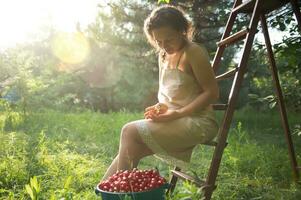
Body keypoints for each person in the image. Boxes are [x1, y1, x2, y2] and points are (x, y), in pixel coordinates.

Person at [101, 5, 219, 181]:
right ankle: (105, 191)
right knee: (131, 149)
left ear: (182, 31)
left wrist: (176, 113)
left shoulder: (193, 52)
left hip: (198, 121)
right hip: (175, 119)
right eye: (158, 42)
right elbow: (173, 94)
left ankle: (119, 192)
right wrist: (161, 108)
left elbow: (212, 93)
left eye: (169, 39)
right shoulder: (163, 55)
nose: (164, 46)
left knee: (129, 131)